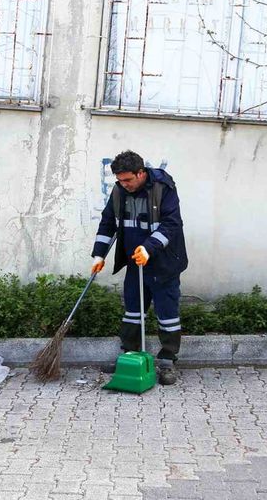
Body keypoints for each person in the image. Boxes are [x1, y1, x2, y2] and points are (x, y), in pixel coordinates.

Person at [91, 150, 188, 385]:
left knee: (167, 314)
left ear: (141, 173)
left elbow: (171, 224)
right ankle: (130, 357)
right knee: (133, 312)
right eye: (120, 180)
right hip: (135, 262)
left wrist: (149, 248)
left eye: (128, 180)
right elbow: (108, 223)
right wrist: (99, 254)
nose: (124, 184)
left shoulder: (163, 188)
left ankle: (167, 361)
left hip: (164, 263)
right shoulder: (119, 191)